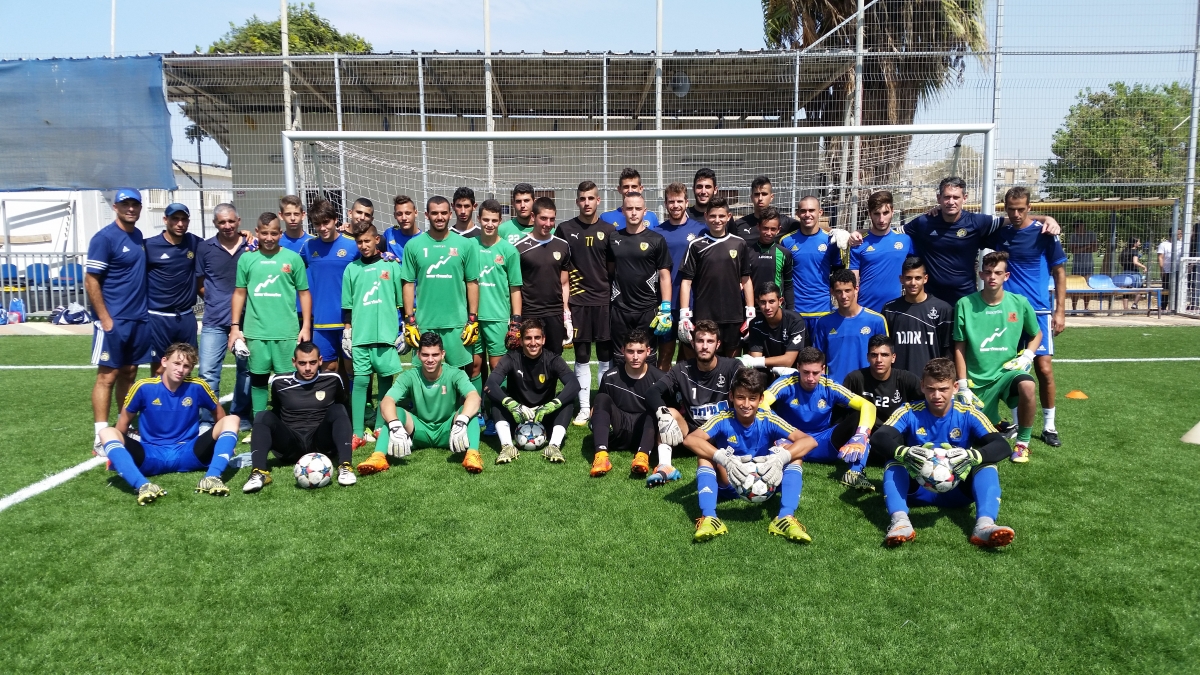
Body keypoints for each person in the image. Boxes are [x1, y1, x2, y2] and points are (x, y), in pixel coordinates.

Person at [870, 357, 1016, 548]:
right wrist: (902, 451)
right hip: (917, 491)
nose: (936, 395)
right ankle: (900, 522)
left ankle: (984, 525)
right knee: (894, 460)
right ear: (922, 386)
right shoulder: (909, 411)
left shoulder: (968, 413)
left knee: (987, 463)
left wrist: (973, 456)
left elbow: (1002, 445)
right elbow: (878, 437)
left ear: (955, 387)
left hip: (959, 492)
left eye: (943, 389)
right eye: (930, 389)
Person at [683, 368, 818, 544]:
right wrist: (723, 459)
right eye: (740, 397)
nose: (746, 404)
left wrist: (781, 458)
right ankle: (709, 518)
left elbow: (809, 441)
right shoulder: (723, 417)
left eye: (752, 398)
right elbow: (690, 440)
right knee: (704, 456)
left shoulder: (768, 418)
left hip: (766, 481)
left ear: (761, 399)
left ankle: (785, 517)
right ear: (731, 396)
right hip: (730, 481)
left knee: (794, 454)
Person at [98, 343, 241, 504]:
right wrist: (117, 454)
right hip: (150, 455)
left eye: (186, 366)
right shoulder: (143, 387)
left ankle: (212, 477)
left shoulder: (197, 386)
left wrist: (225, 442)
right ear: (164, 361)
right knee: (106, 432)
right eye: (177, 363)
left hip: (189, 453)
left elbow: (218, 413)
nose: (181, 369)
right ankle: (142, 485)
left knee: (233, 419)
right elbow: (123, 423)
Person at [986, 186, 1067, 447]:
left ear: (1030, 207)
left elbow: (1059, 272)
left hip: (1039, 310)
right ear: (1005, 208)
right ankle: (1017, 424)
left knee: (1043, 368)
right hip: (1007, 312)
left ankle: (1050, 426)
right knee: (1008, 369)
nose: (1017, 213)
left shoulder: (1045, 234)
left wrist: (1060, 311)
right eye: (1011, 209)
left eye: (1022, 208)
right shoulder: (1001, 233)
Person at [902, 176, 1059, 306]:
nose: (951, 201)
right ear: (939, 198)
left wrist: (1046, 218)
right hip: (932, 297)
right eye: (947, 197)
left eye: (956, 197)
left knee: (964, 342)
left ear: (964, 198)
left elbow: (1014, 218)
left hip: (965, 298)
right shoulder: (923, 222)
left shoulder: (977, 222)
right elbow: (896, 233)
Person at [953, 251, 1042, 463]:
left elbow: (1036, 334)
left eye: (998, 273)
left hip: (1006, 374)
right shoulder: (964, 304)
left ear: (1006, 276)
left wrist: (1027, 356)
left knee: (1028, 385)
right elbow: (959, 346)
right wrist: (963, 384)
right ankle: (996, 422)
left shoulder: (1019, 303)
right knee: (967, 442)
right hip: (977, 381)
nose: (992, 276)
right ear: (981, 274)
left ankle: (1022, 444)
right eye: (988, 272)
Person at [229, 212, 313, 424]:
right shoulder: (247, 259)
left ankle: (286, 422)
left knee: (286, 380)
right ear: (257, 232)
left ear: (280, 233)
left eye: (273, 233)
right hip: (256, 331)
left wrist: (305, 327)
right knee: (258, 378)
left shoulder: (292, 259)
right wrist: (235, 327)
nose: (269, 238)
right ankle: (260, 423)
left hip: (286, 331)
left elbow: (304, 293)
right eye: (264, 233)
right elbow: (239, 293)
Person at [87, 188, 151, 455]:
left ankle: (123, 428)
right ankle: (101, 435)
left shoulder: (137, 236)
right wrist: (105, 318)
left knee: (130, 373)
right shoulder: (104, 238)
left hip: (138, 319)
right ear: (115, 207)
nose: (131, 209)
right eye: (125, 204)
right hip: (114, 320)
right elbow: (91, 280)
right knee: (107, 376)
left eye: (135, 204)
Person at [242, 342, 356, 493]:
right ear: (294, 362)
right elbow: (276, 412)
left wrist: (346, 437)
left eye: (312, 362)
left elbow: (344, 409)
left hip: (321, 443)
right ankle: (258, 472)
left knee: (338, 409)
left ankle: (345, 466)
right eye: (302, 363)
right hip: (290, 445)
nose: (308, 368)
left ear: (320, 360)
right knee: (263, 416)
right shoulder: (279, 382)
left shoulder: (333, 379)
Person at [367, 332, 484, 473]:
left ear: (443, 354)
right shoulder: (409, 376)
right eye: (425, 355)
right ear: (418, 355)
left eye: (435, 355)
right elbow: (386, 401)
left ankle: (472, 455)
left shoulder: (455, 374)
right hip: (418, 430)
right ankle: (378, 456)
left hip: (449, 431)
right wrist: (395, 425)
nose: (430, 359)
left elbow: (474, 397)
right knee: (395, 412)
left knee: (469, 413)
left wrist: (461, 421)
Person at [763, 347, 877, 491]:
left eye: (815, 373)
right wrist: (778, 432)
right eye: (805, 372)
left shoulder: (829, 385)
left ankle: (855, 473)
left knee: (858, 418)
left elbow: (868, 405)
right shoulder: (786, 383)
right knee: (763, 417)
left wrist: (861, 435)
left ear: (823, 369)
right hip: (790, 442)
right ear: (798, 367)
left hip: (823, 443)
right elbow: (762, 402)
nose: (810, 378)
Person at [400, 195, 482, 395]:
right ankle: (425, 413)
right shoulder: (413, 246)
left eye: (444, 213)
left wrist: (473, 319)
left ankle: (474, 412)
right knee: (424, 374)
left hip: (456, 322)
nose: (439, 217)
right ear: (427, 215)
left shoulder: (465, 245)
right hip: (425, 322)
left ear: (450, 214)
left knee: (463, 372)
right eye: (434, 213)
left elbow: (472, 282)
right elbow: (408, 284)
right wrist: (409, 320)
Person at [338, 224, 406, 464]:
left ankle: (379, 425)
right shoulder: (351, 269)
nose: (364, 246)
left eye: (368, 241)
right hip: (361, 337)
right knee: (361, 383)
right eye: (360, 242)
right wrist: (347, 332)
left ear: (377, 240)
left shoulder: (390, 266)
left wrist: (404, 328)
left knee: (386, 380)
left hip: (387, 336)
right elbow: (347, 305)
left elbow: (401, 302)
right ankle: (357, 432)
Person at [556, 181, 617, 424]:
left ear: (598, 200)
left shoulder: (609, 230)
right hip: (578, 303)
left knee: (604, 356)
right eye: (582, 198)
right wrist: (565, 307)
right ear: (577, 201)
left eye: (591, 198)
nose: (587, 203)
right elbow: (561, 272)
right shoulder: (565, 228)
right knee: (581, 356)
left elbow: (612, 270)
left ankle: (600, 406)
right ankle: (583, 407)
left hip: (603, 302)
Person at [645, 320, 744, 466]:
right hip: (694, 433)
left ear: (718, 345)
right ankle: (665, 466)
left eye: (710, 341)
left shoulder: (732, 366)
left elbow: (750, 391)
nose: (704, 346)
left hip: (725, 431)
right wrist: (662, 412)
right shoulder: (681, 369)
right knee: (668, 413)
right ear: (693, 344)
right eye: (700, 341)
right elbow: (652, 392)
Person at [485, 318, 580, 464]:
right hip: (517, 415)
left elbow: (574, 384)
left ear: (543, 340)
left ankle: (554, 446)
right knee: (499, 398)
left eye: (537, 338)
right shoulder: (511, 357)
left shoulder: (553, 359)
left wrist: (553, 404)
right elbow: (490, 384)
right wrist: (511, 404)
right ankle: (507, 447)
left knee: (565, 401)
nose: (533, 343)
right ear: (521, 341)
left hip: (544, 414)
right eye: (528, 338)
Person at [196, 204, 252, 428]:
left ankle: (241, 415)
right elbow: (200, 283)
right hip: (214, 320)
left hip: (248, 320)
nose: (227, 226)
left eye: (231, 221)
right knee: (207, 372)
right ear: (215, 224)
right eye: (222, 222)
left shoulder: (252, 245)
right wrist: (216, 300)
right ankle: (206, 420)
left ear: (238, 220)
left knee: (246, 371)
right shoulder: (204, 248)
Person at [678, 195, 754, 356]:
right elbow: (686, 282)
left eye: (721, 216)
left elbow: (746, 280)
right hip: (705, 315)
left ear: (728, 217)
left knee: (731, 362)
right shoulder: (696, 245)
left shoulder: (739, 243)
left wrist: (750, 312)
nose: (717, 220)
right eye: (712, 216)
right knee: (705, 359)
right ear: (706, 217)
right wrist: (684, 314)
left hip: (733, 315)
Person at [588, 330, 669, 481]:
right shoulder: (610, 377)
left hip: (646, 433)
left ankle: (643, 455)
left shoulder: (660, 379)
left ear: (648, 351)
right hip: (619, 431)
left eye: (640, 351)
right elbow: (597, 409)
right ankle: (601, 455)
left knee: (655, 407)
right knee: (601, 397)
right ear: (623, 350)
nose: (635, 357)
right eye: (630, 351)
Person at [606, 191, 673, 360]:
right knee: (621, 358)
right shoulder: (613, 238)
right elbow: (611, 271)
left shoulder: (657, 240)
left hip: (647, 310)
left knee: (647, 358)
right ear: (622, 210)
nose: (634, 212)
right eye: (629, 208)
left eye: (638, 208)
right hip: (620, 309)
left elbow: (664, 275)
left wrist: (665, 308)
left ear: (645, 211)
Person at [299, 200, 360, 375]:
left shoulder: (352, 245)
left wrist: (387, 256)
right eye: (317, 224)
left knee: (353, 368)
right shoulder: (309, 247)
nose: (322, 228)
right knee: (328, 368)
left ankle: (355, 403)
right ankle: (332, 402)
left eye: (326, 222)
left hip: (350, 320)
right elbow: (291, 266)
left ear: (335, 220)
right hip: (321, 321)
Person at [654, 182, 708, 371]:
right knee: (665, 353)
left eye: (679, 201)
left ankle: (684, 396)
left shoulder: (702, 230)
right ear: (665, 204)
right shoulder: (657, 233)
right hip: (667, 303)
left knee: (689, 353)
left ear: (686, 202)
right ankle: (663, 395)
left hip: (692, 302)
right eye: (671, 202)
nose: (675, 205)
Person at [145, 203, 202, 372]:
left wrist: (244, 235)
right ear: (165, 220)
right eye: (175, 219)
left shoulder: (194, 242)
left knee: (187, 365)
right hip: (158, 317)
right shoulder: (149, 246)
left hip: (185, 316)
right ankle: (158, 399)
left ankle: (184, 400)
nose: (180, 223)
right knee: (159, 369)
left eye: (184, 219)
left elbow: (219, 243)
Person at [514, 197, 572, 353]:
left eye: (552, 219)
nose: (548, 224)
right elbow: (515, 287)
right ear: (533, 217)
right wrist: (515, 317)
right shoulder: (518, 248)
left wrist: (566, 312)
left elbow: (564, 283)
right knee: (529, 359)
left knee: (553, 360)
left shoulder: (562, 245)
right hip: (530, 313)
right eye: (543, 218)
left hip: (554, 314)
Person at [780, 196, 844, 337]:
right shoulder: (786, 241)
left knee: (821, 356)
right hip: (796, 311)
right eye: (803, 211)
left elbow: (839, 272)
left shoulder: (831, 240)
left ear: (820, 212)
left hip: (823, 310)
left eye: (811, 210)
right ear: (797, 214)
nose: (807, 214)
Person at [472, 198, 524, 373]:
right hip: (472, 318)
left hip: (498, 317)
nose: (489, 224)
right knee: (474, 366)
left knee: (497, 367)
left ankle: (499, 401)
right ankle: (476, 401)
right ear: (479, 218)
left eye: (494, 220)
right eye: (486, 219)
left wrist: (516, 320)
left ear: (500, 221)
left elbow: (515, 287)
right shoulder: (469, 246)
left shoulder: (509, 250)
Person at [881, 256, 954, 377]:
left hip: (931, 382)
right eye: (908, 278)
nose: (913, 283)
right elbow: (884, 349)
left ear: (925, 279)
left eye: (918, 278)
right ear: (901, 279)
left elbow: (947, 352)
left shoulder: (943, 309)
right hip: (898, 381)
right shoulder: (890, 309)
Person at [813, 269, 889, 384]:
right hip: (836, 389)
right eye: (839, 291)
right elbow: (817, 360)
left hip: (867, 387)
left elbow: (886, 358)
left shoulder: (876, 320)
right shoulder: (824, 322)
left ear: (856, 289)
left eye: (848, 290)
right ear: (832, 292)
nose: (844, 296)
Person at [849, 191, 915, 313]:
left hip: (897, 310)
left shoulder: (905, 240)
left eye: (885, 213)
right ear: (870, 214)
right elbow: (852, 282)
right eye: (876, 214)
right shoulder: (858, 243)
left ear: (892, 211)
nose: (881, 219)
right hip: (866, 309)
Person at [842, 335, 924, 432]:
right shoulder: (855, 379)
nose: (879, 360)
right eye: (874, 355)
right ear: (867, 357)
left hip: (896, 434)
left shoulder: (907, 379)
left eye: (884, 355)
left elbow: (925, 405)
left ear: (893, 358)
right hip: (863, 435)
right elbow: (839, 411)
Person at [741, 282, 806, 371]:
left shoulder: (795, 321)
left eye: (772, 301)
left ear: (780, 301)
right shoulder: (755, 324)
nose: (767, 307)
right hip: (767, 371)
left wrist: (755, 362)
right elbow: (756, 359)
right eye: (763, 302)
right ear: (757, 302)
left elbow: (789, 360)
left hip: (793, 372)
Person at [742, 207, 795, 310]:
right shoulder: (747, 252)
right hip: (753, 310)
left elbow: (788, 284)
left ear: (779, 229)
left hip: (777, 309)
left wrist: (791, 310)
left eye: (773, 229)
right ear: (758, 227)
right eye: (765, 228)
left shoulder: (785, 253)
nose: (769, 232)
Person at [733, 176, 799, 242]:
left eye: (764, 194)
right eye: (757, 194)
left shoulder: (786, 223)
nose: (760, 198)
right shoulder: (739, 225)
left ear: (771, 197)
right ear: (751, 197)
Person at [1065, 222, 1099, 311]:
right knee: (1075, 287)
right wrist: (1087, 246)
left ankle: (1086, 308)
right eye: (1079, 228)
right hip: (1077, 265)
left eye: (1082, 227)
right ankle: (1074, 309)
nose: (1081, 229)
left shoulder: (1091, 234)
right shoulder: (1073, 236)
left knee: (1087, 286)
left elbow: (1094, 248)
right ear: (1075, 228)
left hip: (1088, 265)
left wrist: (1080, 249)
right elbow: (1073, 251)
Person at [384, 195, 422, 260]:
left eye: (408, 213)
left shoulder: (424, 239)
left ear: (415, 213)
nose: (404, 218)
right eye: (399, 214)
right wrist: (383, 255)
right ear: (395, 215)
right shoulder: (389, 233)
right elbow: (375, 253)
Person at [1118, 237, 1147, 310]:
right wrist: (1144, 267)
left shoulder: (1124, 251)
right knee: (1141, 289)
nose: (1140, 243)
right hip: (1134, 274)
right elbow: (1135, 262)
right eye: (1139, 242)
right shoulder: (1135, 251)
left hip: (1125, 273)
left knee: (1126, 291)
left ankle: (1125, 308)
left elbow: (1121, 261)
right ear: (1135, 243)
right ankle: (1135, 304)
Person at [1158, 228, 1184, 310]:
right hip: (1167, 271)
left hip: (1179, 271)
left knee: (1177, 290)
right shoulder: (1164, 244)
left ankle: (1175, 308)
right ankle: (1163, 308)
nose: (1180, 235)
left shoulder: (1182, 244)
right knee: (1165, 290)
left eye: (1181, 233)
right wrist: (1162, 270)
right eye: (1179, 233)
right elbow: (1160, 257)